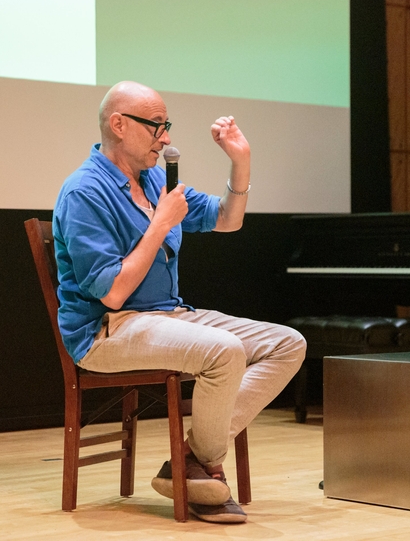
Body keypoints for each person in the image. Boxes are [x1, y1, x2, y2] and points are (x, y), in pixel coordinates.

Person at [52, 81, 306, 523]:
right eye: (156, 126)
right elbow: (112, 292)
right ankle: (199, 470)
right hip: (106, 329)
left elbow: (227, 220)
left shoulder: (154, 180)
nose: (166, 137)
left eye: (165, 126)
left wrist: (240, 161)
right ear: (118, 125)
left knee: (288, 343)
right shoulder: (84, 192)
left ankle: (190, 460)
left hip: (169, 314)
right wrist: (160, 225)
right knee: (223, 351)